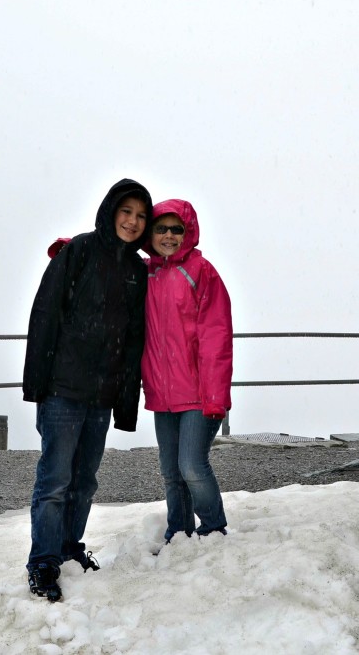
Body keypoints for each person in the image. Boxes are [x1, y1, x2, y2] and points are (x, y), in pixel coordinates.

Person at [22, 178, 152, 601]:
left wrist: (124, 401)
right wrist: (37, 383)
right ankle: (42, 562)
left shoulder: (137, 271)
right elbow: (45, 314)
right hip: (62, 390)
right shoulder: (77, 252)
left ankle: (68, 547)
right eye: (126, 211)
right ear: (111, 210)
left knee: (86, 481)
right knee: (55, 479)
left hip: (101, 396)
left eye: (140, 216)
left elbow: (134, 340)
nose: (132, 222)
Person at [141, 198, 233, 543]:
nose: (168, 235)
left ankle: (213, 530)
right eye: (161, 228)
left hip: (198, 394)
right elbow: (107, 255)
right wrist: (68, 249)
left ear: (188, 232)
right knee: (170, 472)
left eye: (176, 229)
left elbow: (216, 337)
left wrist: (215, 396)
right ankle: (178, 533)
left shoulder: (201, 272)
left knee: (192, 466)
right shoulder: (145, 272)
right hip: (163, 395)